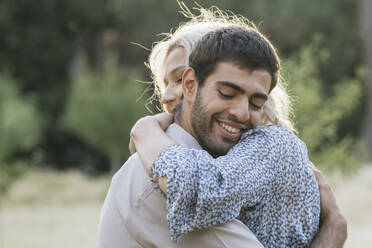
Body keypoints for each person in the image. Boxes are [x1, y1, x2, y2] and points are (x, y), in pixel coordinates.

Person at [98, 6, 347, 248]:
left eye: (255, 101)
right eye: (227, 93)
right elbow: (195, 190)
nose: (167, 96)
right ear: (192, 84)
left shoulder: (262, 153)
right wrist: (334, 229)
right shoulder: (160, 178)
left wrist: (145, 132)